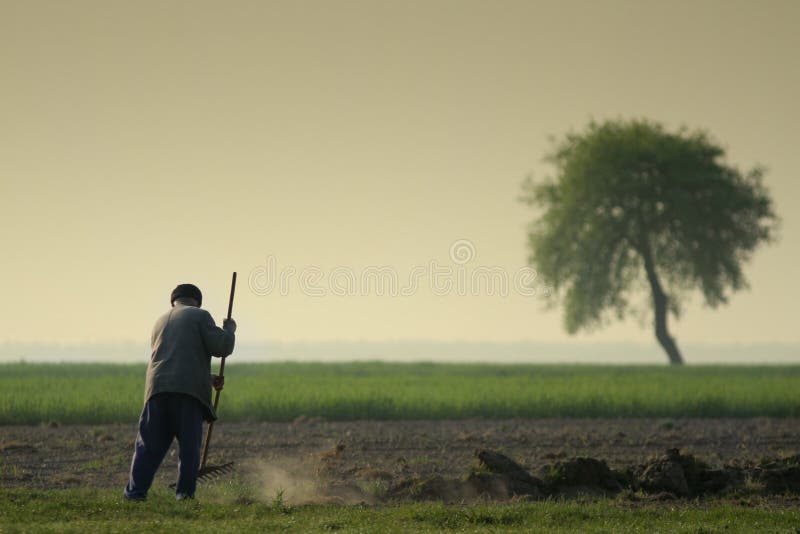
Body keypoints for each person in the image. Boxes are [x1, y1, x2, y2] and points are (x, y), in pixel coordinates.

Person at [123, 283, 236, 501]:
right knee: (189, 447)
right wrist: (229, 329)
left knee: (147, 447)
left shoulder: (160, 321)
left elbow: (173, 359)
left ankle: (134, 495)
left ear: (173, 301)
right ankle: (184, 495)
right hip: (186, 395)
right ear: (197, 301)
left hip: (156, 391)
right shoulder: (200, 316)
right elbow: (221, 347)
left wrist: (208, 378)